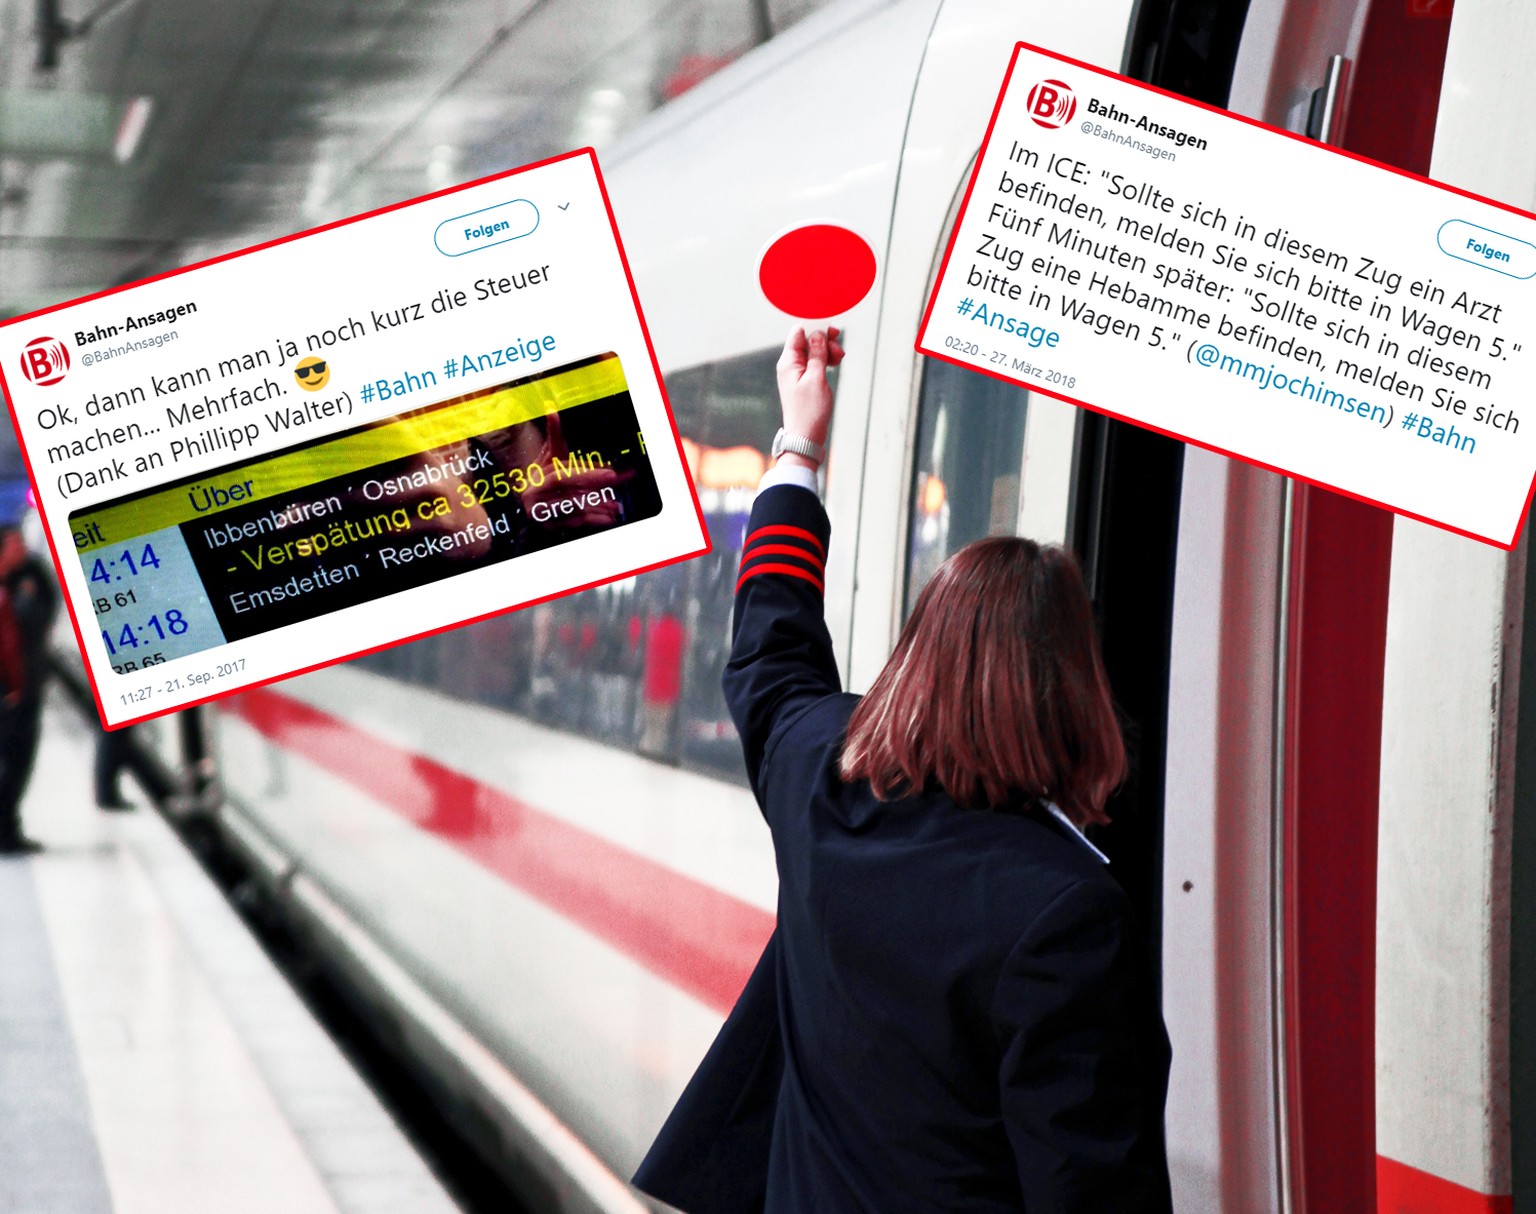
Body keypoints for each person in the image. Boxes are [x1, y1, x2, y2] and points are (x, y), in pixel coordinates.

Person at [634, 328, 1171, 1213]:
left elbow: (770, 643)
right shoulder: (1064, 912)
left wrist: (799, 442)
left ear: (919, 655)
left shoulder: (823, 783)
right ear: (1077, 690)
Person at [0, 527, 56, 854]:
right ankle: (5, 832)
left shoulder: (22, 581)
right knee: (12, 763)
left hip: (21, 690)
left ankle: (9, 827)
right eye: (16, 544)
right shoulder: (12, 594)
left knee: (18, 762)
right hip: (12, 695)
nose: (24, 549)